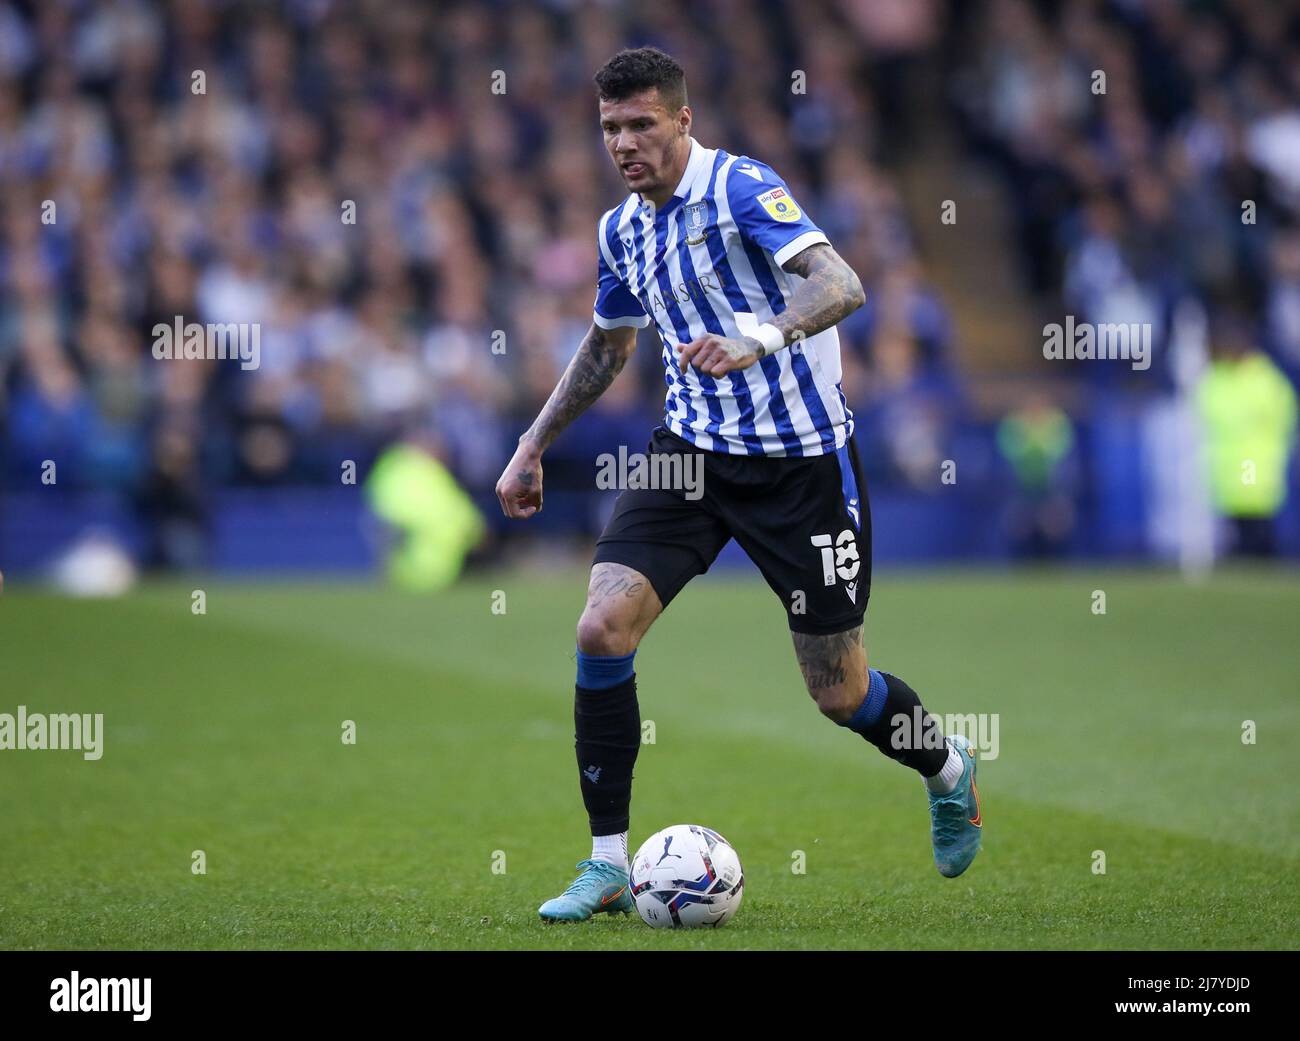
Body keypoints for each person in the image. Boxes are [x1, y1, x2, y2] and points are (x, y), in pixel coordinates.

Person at [495, 47, 981, 922]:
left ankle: (948, 771)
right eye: (611, 128)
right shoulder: (620, 231)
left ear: (684, 120)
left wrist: (758, 337)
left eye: (643, 123)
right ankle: (607, 861)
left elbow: (842, 284)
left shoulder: (744, 188)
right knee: (602, 625)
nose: (625, 143)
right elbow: (611, 345)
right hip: (691, 455)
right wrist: (531, 443)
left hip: (801, 464)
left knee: (839, 691)